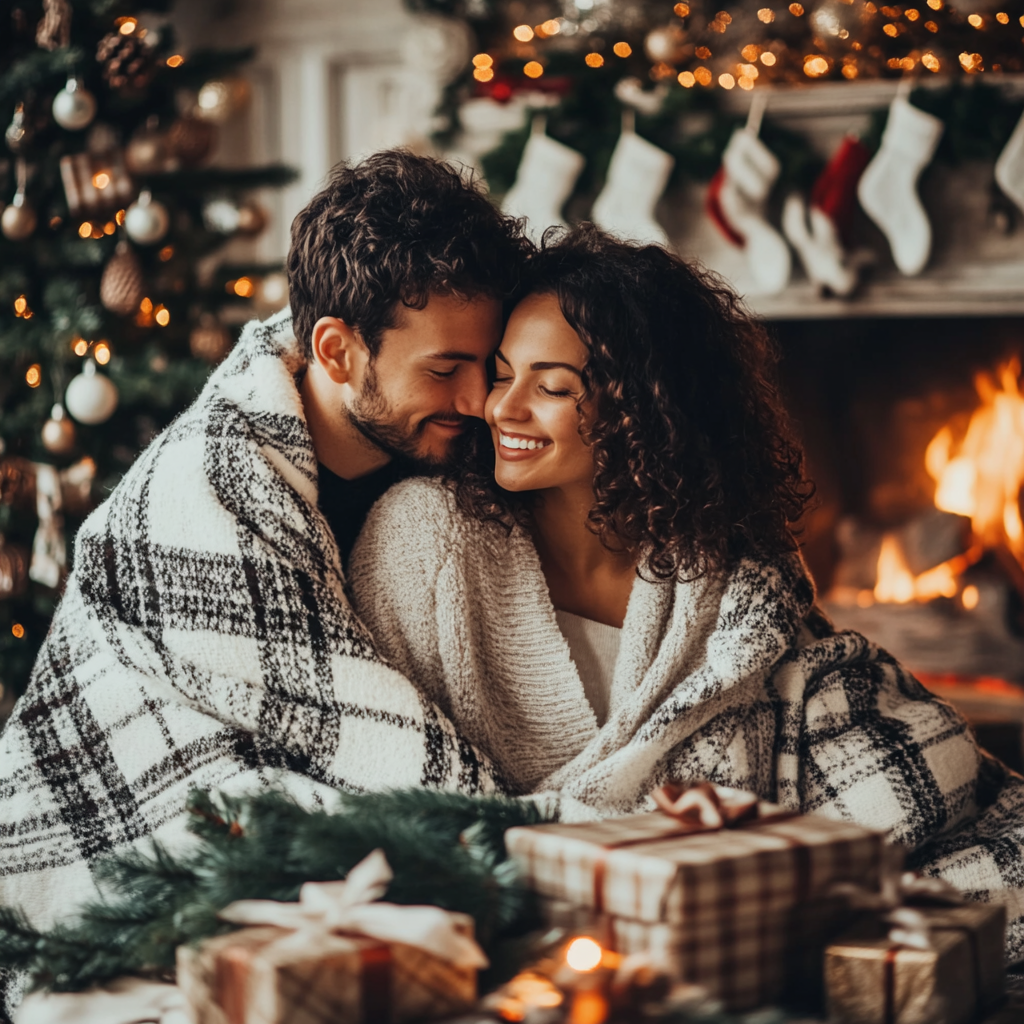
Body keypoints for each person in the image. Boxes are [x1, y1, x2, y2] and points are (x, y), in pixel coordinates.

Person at [350, 224, 1024, 958]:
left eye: (550, 387)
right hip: (504, 923)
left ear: (641, 408)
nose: (502, 410)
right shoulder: (424, 539)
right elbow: (386, 763)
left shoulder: (717, 572)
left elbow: (826, 719)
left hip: (714, 926)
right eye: (503, 374)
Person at [0, 150, 528, 1013]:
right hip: (88, 822)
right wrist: (541, 839)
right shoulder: (211, 481)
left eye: (488, 366)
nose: (478, 402)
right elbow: (346, 719)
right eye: (444, 370)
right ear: (336, 347)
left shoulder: (444, 460)